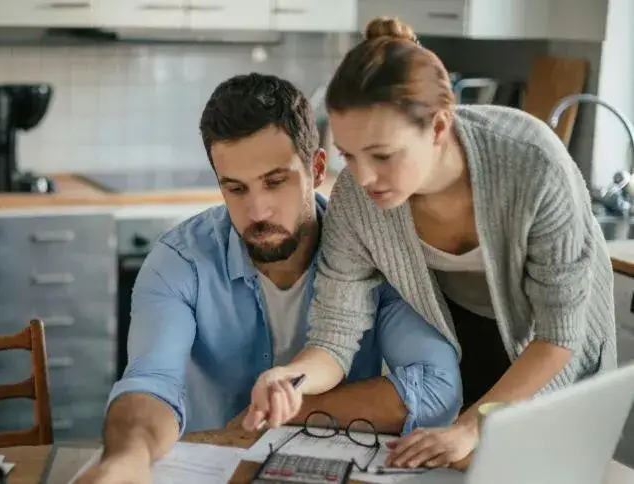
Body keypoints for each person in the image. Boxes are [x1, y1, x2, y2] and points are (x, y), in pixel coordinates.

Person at [246, 16, 618, 470]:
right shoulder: (356, 201)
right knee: (460, 467)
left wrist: (471, 426)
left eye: (382, 155)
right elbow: (336, 336)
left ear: (439, 128)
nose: (363, 178)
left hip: (550, 351)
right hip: (465, 339)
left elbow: (559, 335)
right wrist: (292, 377)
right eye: (349, 155)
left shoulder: (533, 165)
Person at [74, 73, 463, 484]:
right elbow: (152, 383)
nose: (257, 210)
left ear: (315, 167)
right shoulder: (179, 262)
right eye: (236, 188)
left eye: (275, 182)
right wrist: (127, 460)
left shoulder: (373, 254)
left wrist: (279, 414)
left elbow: (435, 389)